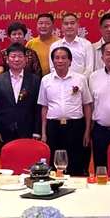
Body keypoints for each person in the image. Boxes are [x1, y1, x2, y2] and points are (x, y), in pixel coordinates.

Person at [38, 47, 92, 176]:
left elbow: (87, 105)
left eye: (64, 58)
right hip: (53, 127)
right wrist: (44, 133)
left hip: (75, 127)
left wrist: (87, 131)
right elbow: (44, 107)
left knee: (76, 163)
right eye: (57, 58)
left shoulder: (80, 79)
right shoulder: (46, 80)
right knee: (53, 165)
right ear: (52, 61)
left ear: (70, 61)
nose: (60, 61)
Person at [0, 43, 42, 146]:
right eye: (13, 56)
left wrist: (37, 131)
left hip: (28, 130)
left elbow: (38, 108)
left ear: (25, 59)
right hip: (4, 130)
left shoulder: (35, 80)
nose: (16, 59)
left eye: (20, 56)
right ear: (7, 59)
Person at [49, 13, 94, 79]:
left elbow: (89, 69)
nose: (69, 26)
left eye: (72, 23)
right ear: (62, 27)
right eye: (66, 24)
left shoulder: (86, 44)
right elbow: (52, 68)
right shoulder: (55, 46)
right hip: (60, 83)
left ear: (78, 26)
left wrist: (79, 81)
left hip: (80, 83)